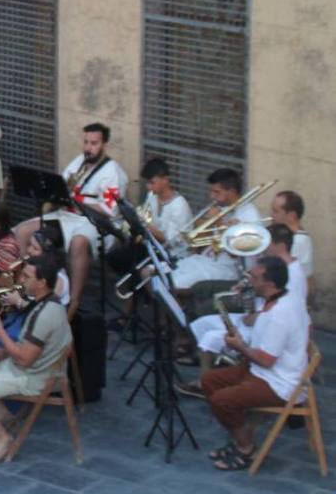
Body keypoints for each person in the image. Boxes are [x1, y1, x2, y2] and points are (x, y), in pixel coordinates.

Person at [0, 256, 72, 465]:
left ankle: (2, 439)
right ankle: (2, 413)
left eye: (27, 277)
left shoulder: (45, 315)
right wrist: (4, 352)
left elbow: (26, 360)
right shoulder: (42, 303)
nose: (21, 280)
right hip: (24, 365)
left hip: (32, 377)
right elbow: (29, 349)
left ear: (42, 282)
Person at [200, 256, 310, 471]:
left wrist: (240, 347)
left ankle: (246, 448)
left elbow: (267, 361)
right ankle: (240, 437)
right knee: (209, 381)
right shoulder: (276, 300)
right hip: (259, 371)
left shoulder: (280, 315)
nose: (249, 280)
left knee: (222, 401)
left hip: (279, 382)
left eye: (254, 277)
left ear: (269, 283)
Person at [179, 224, 307, 398]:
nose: (262, 249)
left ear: (280, 246)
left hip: (265, 327)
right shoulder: (275, 265)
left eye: (267, 244)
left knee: (211, 337)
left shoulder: (293, 276)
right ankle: (212, 373)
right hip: (258, 318)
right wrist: (248, 287)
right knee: (204, 322)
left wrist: (253, 318)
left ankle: (205, 383)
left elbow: (284, 311)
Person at [15, 122, 128, 315]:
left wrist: (77, 199)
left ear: (104, 145)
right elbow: (63, 185)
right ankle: (23, 286)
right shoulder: (78, 162)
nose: (88, 148)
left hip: (96, 223)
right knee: (23, 230)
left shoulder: (113, 173)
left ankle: (73, 303)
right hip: (68, 216)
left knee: (78, 242)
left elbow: (108, 210)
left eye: (94, 143)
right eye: (86, 142)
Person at [106, 157, 194, 289]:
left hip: (173, 254)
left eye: (152, 183)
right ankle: (139, 292)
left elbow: (171, 240)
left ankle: (138, 295)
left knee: (135, 264)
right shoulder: (152, 195)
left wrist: (144, 226)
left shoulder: (179, 206)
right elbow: (145, 216)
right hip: (154, 247)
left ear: (165, 180)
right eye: (148, 183)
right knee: (114, 257)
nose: (148, 187)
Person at [271, 190, 313, 278]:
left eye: (276, 211)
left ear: (291, 216)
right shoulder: (288, 235)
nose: (271, 215)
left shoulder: (299, 240)